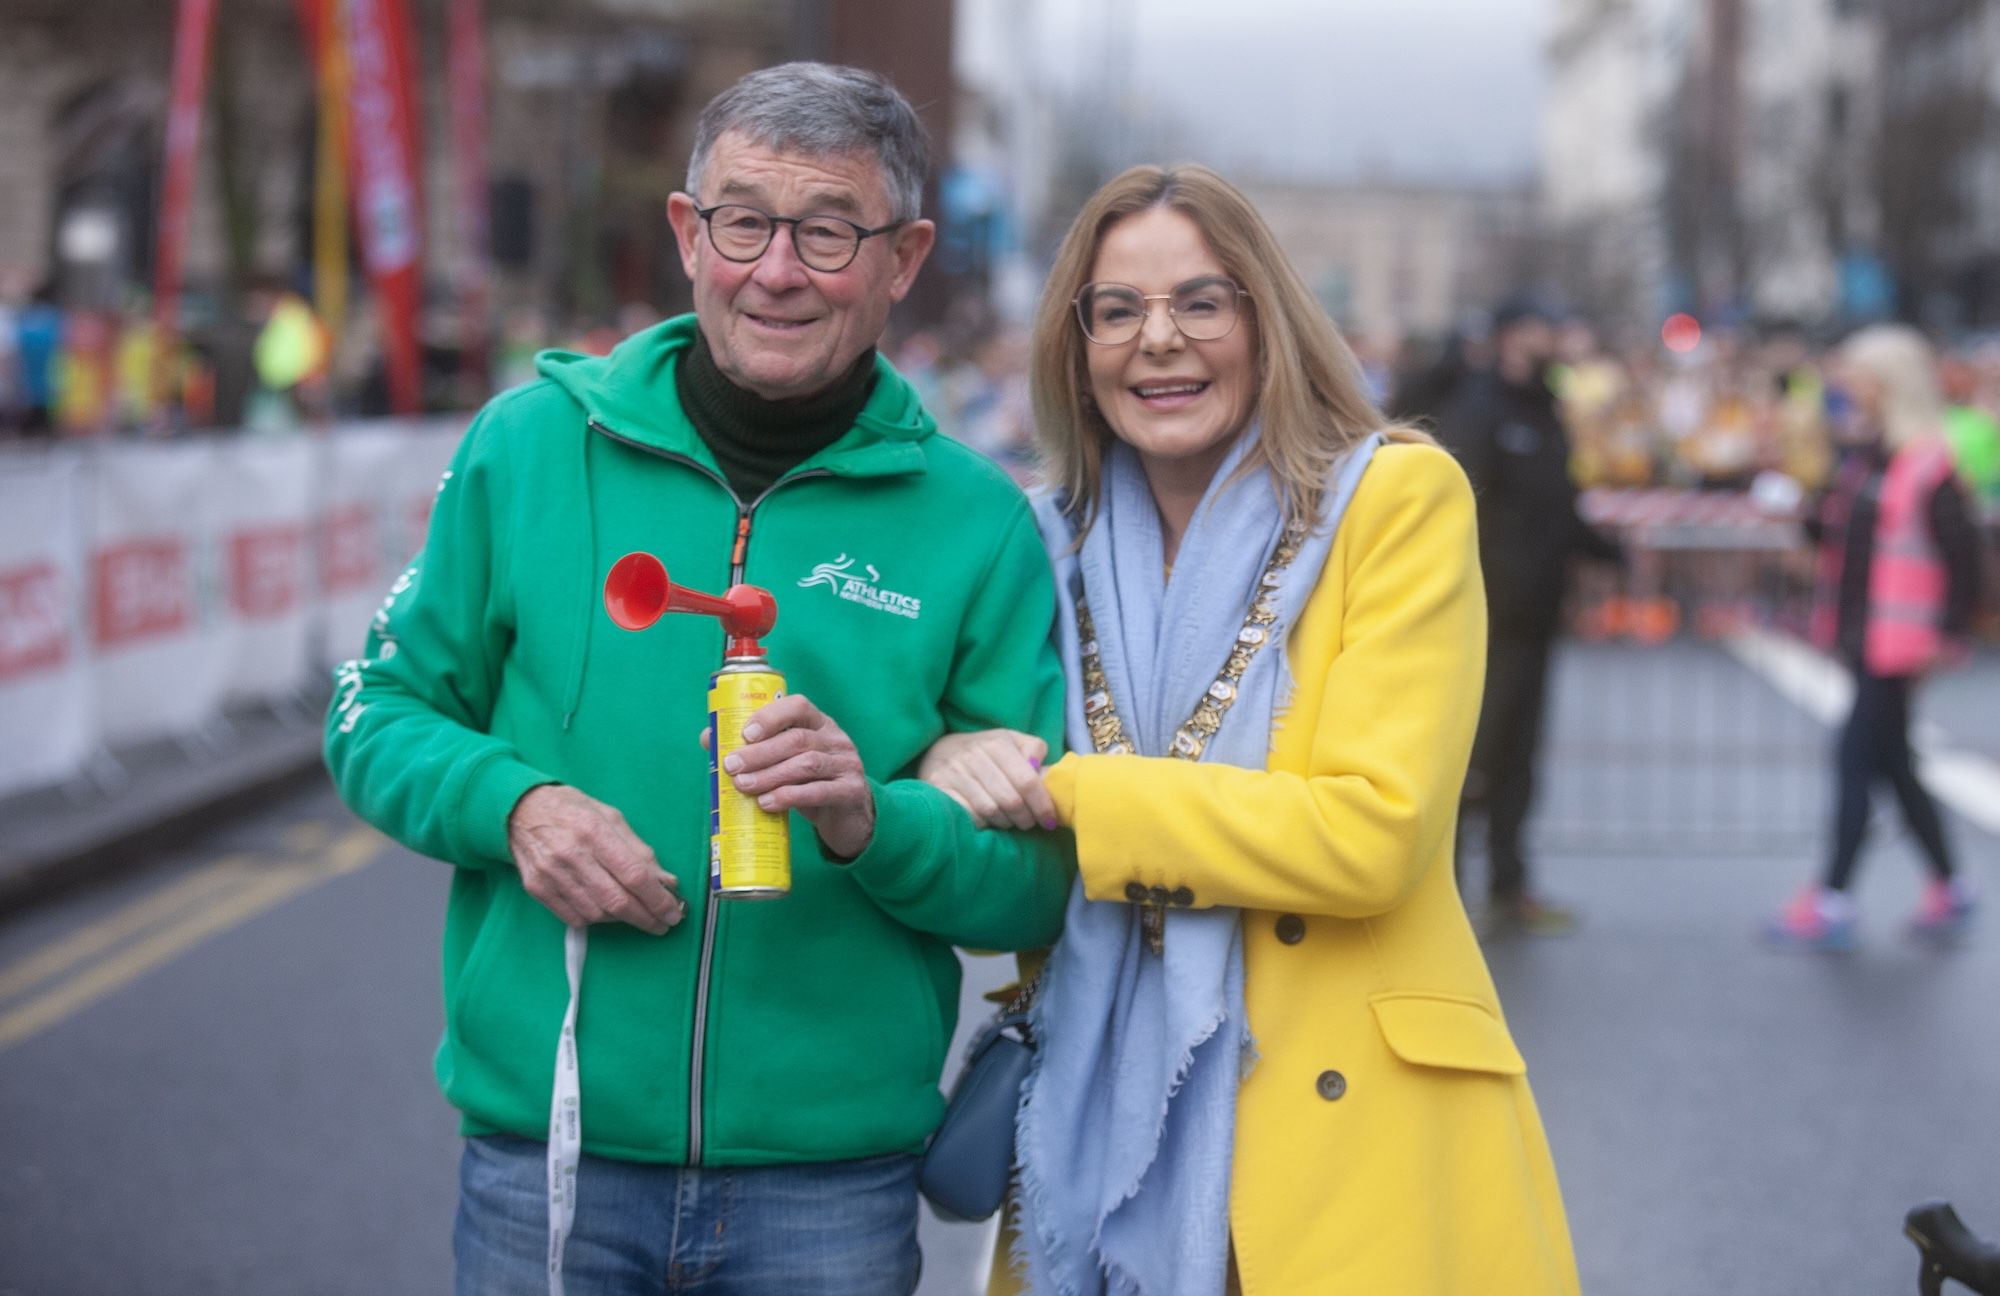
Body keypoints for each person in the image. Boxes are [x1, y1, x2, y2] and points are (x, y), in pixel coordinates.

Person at [323, 62, 1074, 1296]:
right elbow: (373, 711)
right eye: (742, 221)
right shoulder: (527, 446)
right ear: (687, 234)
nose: (776, 269)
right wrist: (515, 806)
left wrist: (868, 819)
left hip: (832, 1187)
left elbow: (1031, 888)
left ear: (903, 257)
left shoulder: (978, 523)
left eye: (828, 231)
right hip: (547, 1152)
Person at [920, 164, 1577, 1296]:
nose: (1157, 340)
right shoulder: (1036, 546)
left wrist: (1070, 792)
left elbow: (1367, 835)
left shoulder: (1395, 504)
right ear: (1073, 347)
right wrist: (940, 758)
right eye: (1116, 310)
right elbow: (989, 846)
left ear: (1265, 320)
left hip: (1356, 1148)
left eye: (1200, 303)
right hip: (1093, 1134)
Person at [1764, 325, 1984, 952]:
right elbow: (1839, 531)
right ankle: (1950, 884)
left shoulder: (1927, 462)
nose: (1841, 388)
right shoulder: (1868, 454)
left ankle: (1832, 895)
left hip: (1901, 638)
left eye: (1854, 377)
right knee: (1892, 764)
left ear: (1885, 384)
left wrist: (1947, 634)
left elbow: (1963, 556)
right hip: (1865, 631)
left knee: (1856, 760)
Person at [1435, 295, 1620, 936]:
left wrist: (1603, 551)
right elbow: (1460, 507)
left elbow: (1558, 506)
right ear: (1515, 335)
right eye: (1545, 326)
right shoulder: (1478, 409)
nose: (1557, 338)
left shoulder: (1544, 409)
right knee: (1470, 759)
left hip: (1538, 613)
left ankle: (1511, 885)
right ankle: (1447, 897)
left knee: (1519, 759)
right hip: (1486, 615)